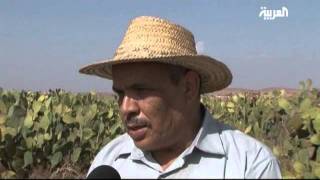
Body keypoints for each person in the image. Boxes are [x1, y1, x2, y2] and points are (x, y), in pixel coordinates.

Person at [79, 16, 282, 179]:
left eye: (141, 90)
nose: (126, 108)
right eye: (120, 93)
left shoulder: (250, 164)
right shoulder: (109, 161)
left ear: (189, 87)